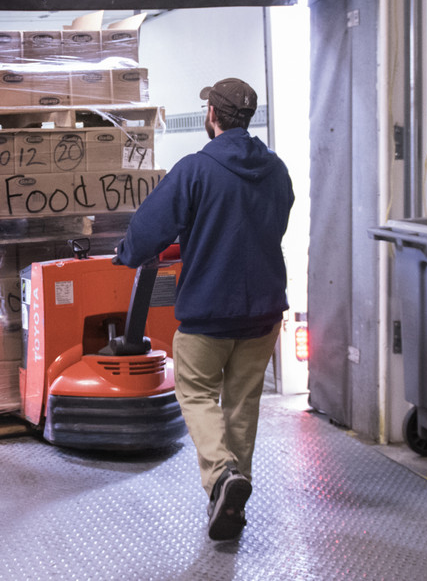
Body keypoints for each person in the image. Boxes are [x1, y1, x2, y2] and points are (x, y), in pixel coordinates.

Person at [115, 77, 294, 541]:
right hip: (263, 315)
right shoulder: (276, 170)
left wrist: (127, 253)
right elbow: (274, 223)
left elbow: (150, 225)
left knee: (194, 394)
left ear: (211, 115)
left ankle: (221, 476)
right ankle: (231, 502)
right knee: (242, 405)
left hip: (208, 313)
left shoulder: (196, 168)